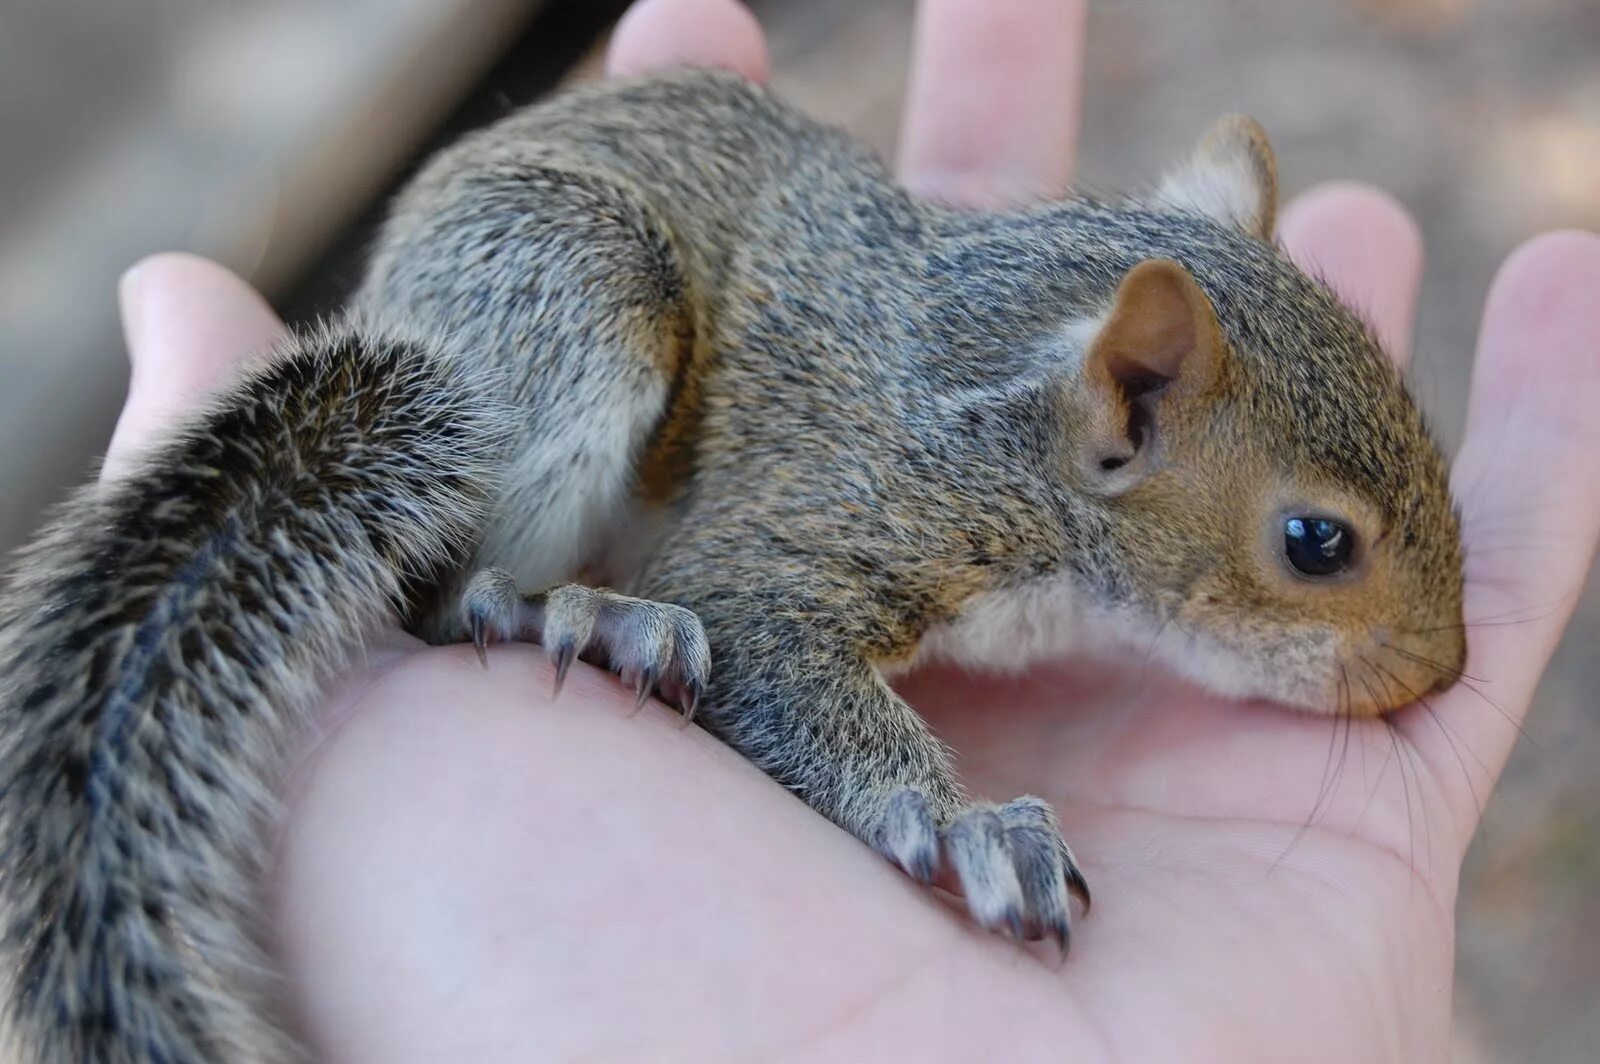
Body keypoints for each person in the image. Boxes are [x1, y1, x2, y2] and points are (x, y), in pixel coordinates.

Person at [101, 0, 1600, 1058]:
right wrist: (926, 817)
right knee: (603, 319)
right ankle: (482, 590)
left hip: (749, 255)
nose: (1418, 657)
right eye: (1314, 552)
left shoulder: (1026, 486)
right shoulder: (924, 486)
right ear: (1126, 413)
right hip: (567, 261)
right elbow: (751, 622)